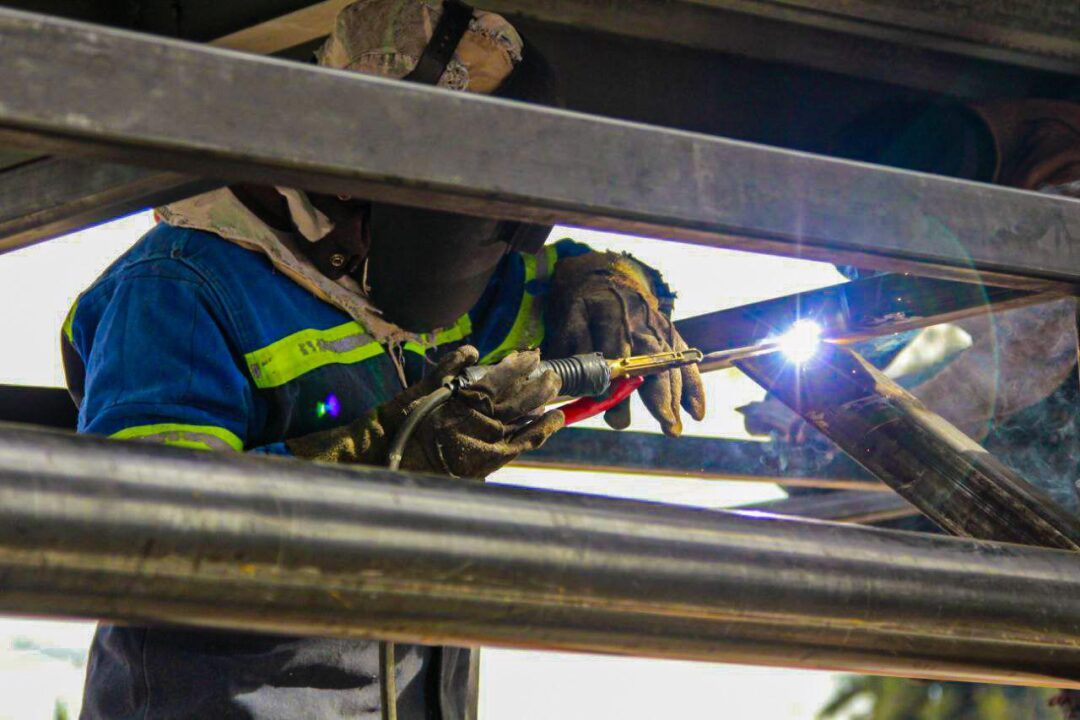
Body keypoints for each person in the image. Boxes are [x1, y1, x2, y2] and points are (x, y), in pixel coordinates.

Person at [61, 1, 705, 717]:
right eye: (466, 189)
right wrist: (395, 458)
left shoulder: (447, 279)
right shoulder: (180, 290)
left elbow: (554, 301)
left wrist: (619, 285)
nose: (490, 228)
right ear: (354, 164)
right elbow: (152, 538)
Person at [741, 98, 1080, 512]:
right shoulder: (971, 220)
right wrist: (810, 409)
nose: (872, 274)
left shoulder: (1051, 193)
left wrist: (871, 437)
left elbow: (1033, 349)